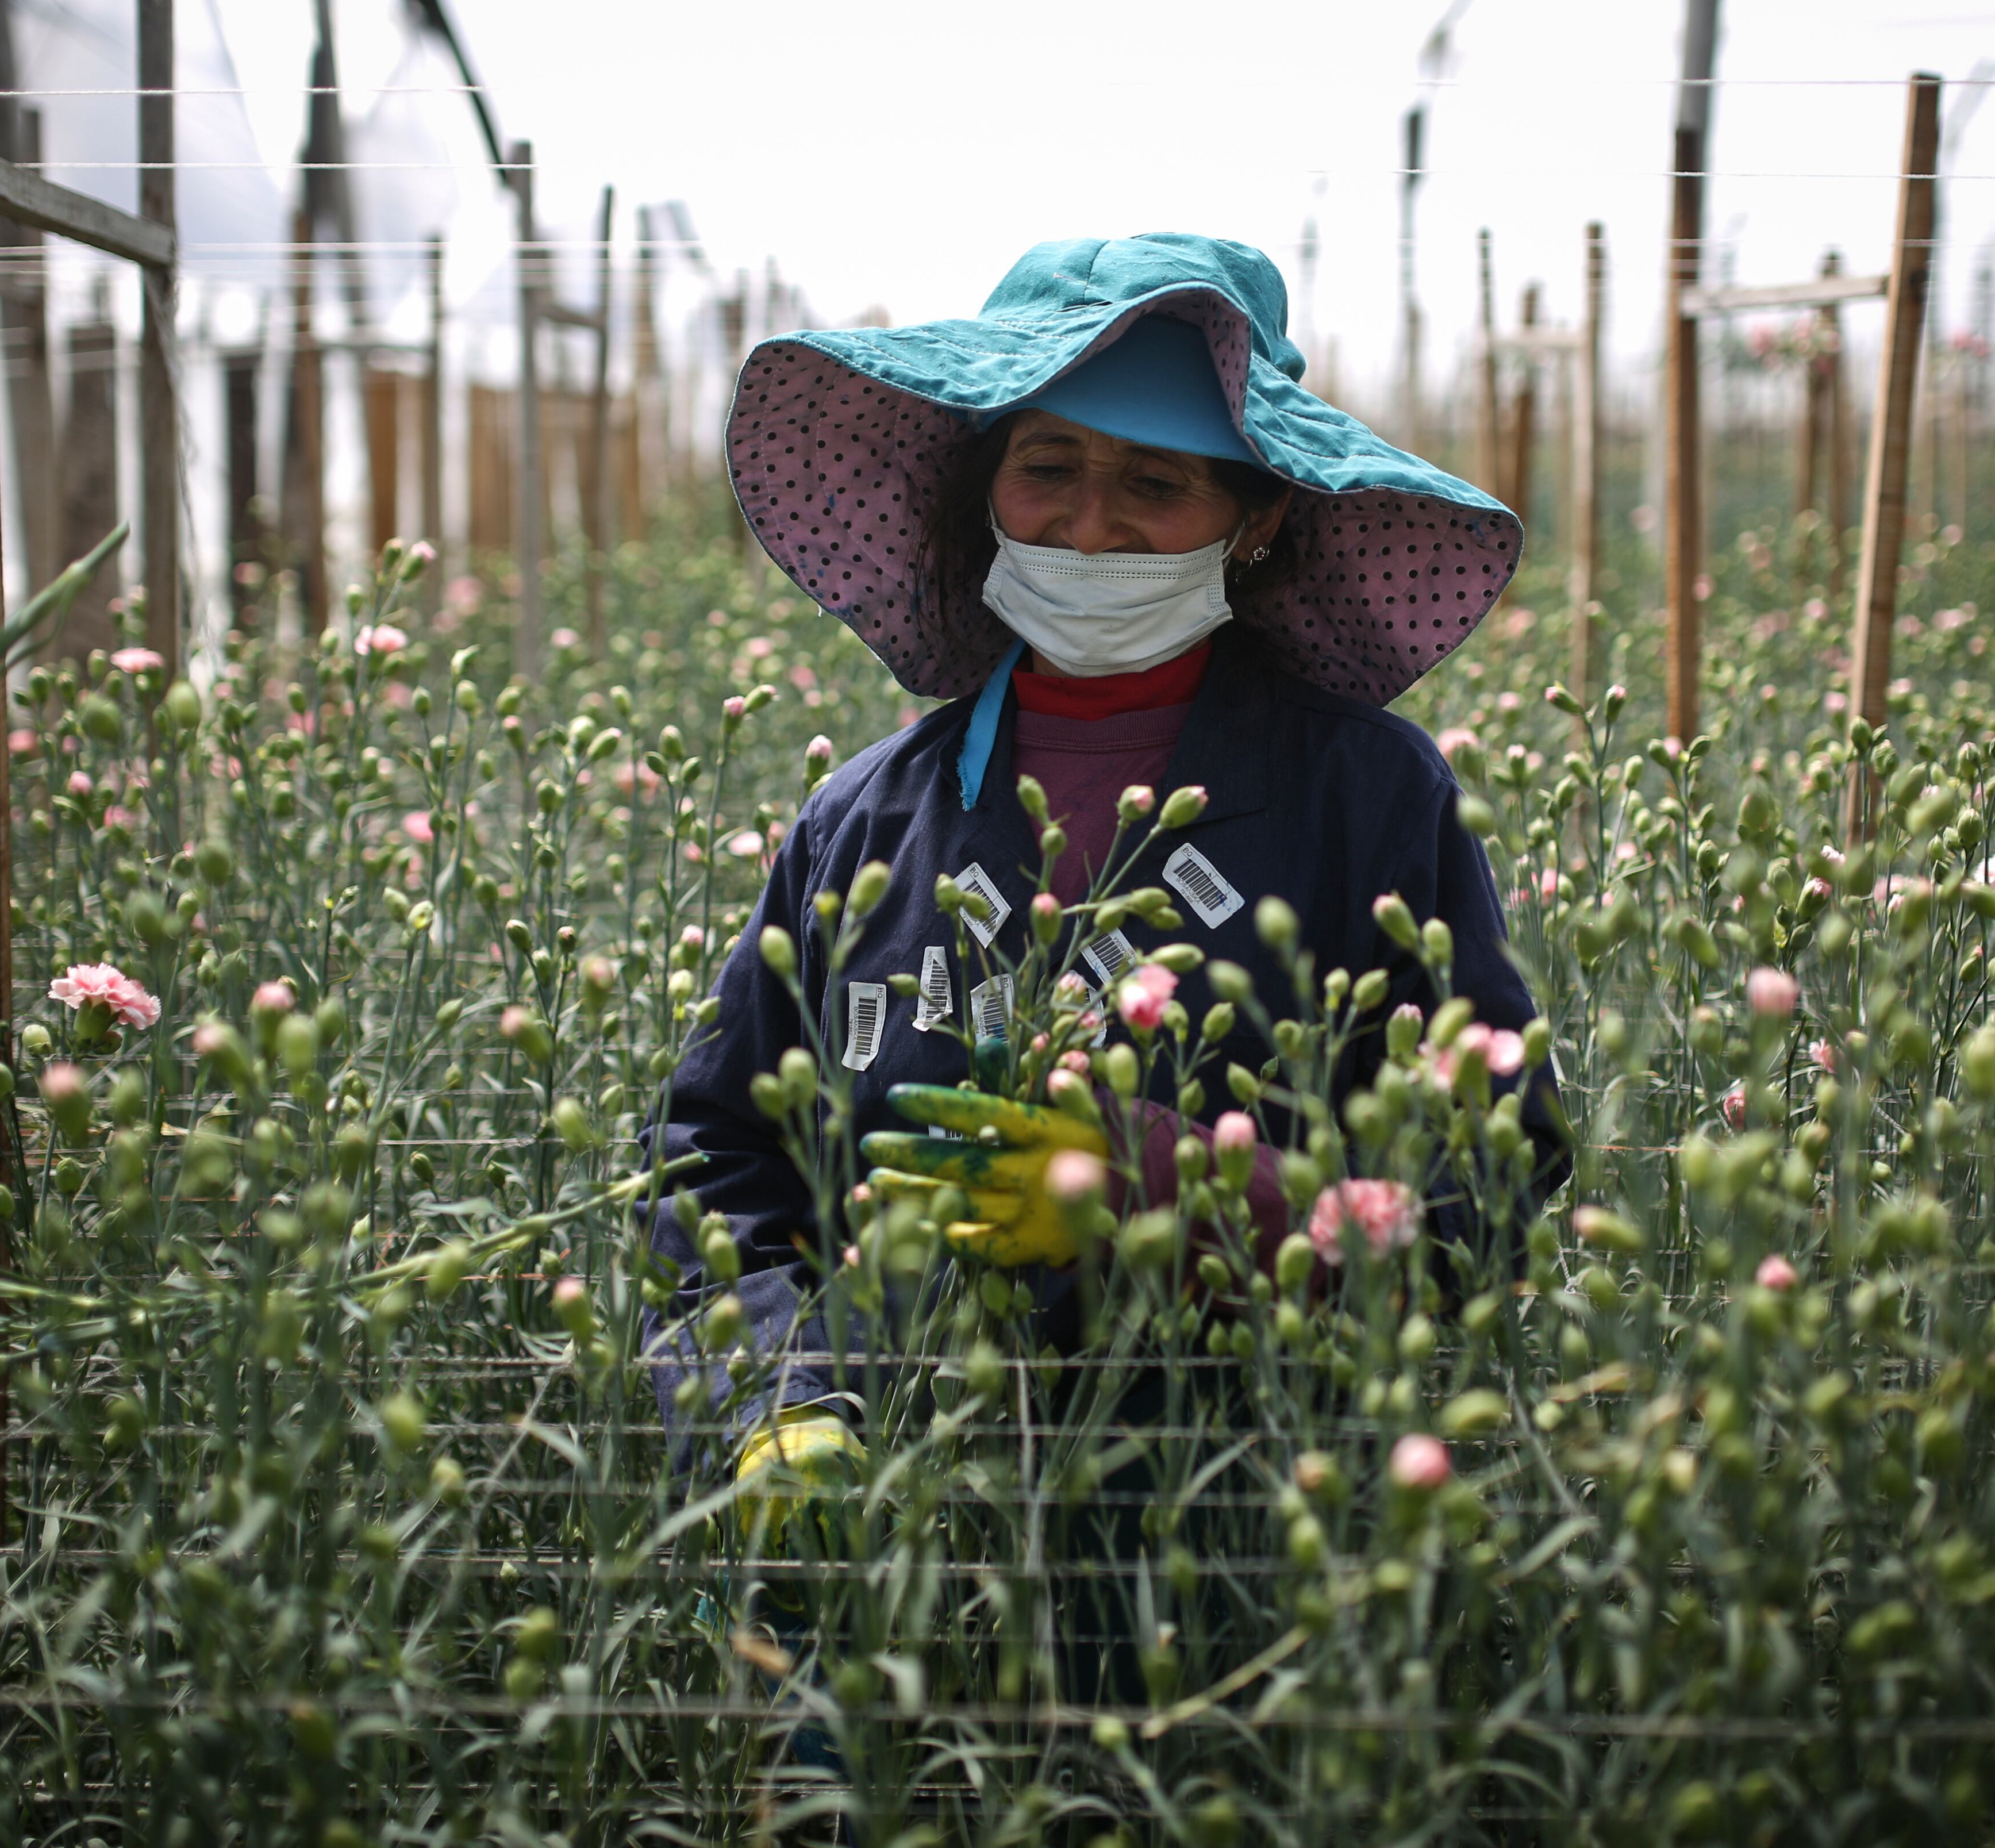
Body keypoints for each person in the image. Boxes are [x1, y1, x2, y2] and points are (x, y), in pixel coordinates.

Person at [644, 233, 1564, 1559]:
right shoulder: (865, 820)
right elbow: (714, 1158)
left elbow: (1498, 1182)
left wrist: (1192, 1198)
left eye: (1157, 482)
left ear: (1258, 520)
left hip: (1249, 1557)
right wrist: (775, 1400)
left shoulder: (1368, 802)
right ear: (985, 487)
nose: (1089, 524)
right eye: (1049, 467)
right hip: (886, 1556)